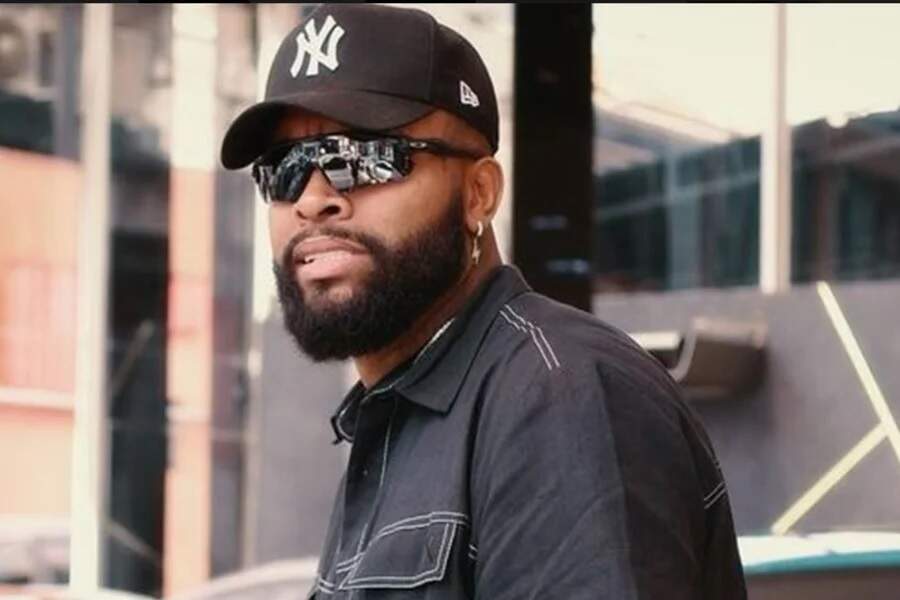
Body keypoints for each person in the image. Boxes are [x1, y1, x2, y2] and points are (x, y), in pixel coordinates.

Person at [220, 4, 747, 598]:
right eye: (284, 169)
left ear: (479, 194)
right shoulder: (394, 419)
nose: (313, 199)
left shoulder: (559, 395)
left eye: (363, 159)